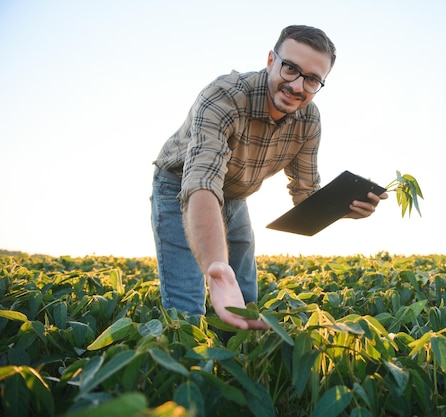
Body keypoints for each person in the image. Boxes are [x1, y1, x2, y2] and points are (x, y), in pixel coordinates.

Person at [151, 25, 387, 330]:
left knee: (246, 297)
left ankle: (238, 367)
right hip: (179, 183)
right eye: (290, 68)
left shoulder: (309, 121)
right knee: (187, 307)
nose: (297, 86)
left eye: (312, 79)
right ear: (270, 61)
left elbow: (305, 194)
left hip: (235, 195)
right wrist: (217, 267)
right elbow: (202, 181)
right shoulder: (224, 96)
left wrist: (348, 209)